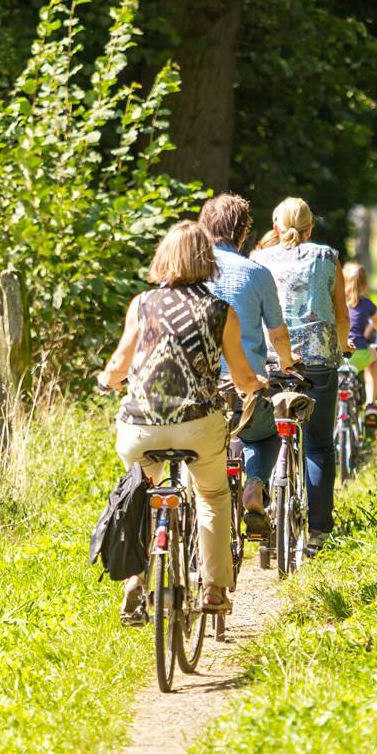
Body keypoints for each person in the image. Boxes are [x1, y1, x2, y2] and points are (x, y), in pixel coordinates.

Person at [97, 221, 266, 623]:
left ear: (163, 258)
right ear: (207, 260)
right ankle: (213, 587)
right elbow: (242, 376)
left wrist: (107, 379)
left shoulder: (141, 304)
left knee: (139, 491)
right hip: (197, 424)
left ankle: (135, 582)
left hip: (140, 426)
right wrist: (254, 386)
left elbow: (119, 365)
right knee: (212, 495)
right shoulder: (219, 309)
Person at [251, 198, 349, 554]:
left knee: (266, 435)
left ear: (276, 227)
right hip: (317, 362)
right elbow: (341, 315)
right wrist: (342, 347)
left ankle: (262, 497)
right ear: (311, 228)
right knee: (319, 445)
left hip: (271, 363)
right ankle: (319, 532)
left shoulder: (258, 260)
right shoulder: (327, 258)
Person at [198, 193, 298, 536]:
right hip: (244, 392)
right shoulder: (257, 273)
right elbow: (278, 335)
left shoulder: (188, 272)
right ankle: (254, 487)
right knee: (265, 436)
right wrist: (287, 362)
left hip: (197, 394)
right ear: (242, 233)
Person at [342, 261, 377, 422]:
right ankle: (371, 403)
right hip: (359, 353)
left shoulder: (335, 302)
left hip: (336, 355)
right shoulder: (366, 304)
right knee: (373, 360)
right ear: (365, 284)